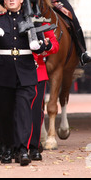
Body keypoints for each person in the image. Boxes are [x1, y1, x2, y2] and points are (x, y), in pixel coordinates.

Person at [0, 0, 48, 166]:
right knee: (4, 112)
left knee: (23, 112)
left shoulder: (32, 20)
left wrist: (42, 45)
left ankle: (22, 149)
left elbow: (47, 42)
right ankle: (6, 146)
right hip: (4, 71)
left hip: (26, 70)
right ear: (4, 0)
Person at [29, 25, 59, 161]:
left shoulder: (40, 20)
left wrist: (46, 47)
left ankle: (82, 51)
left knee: (71, 18)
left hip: (56, 3)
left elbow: (54, 44)